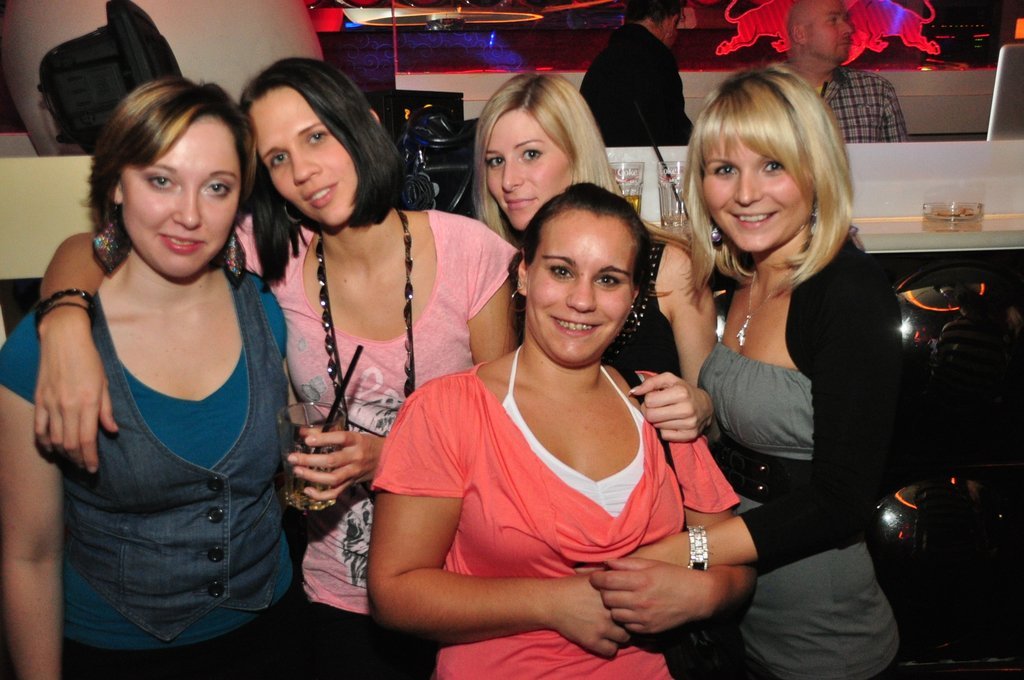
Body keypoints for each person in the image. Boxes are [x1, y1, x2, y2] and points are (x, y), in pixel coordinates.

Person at [32, 58, 517, 679]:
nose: (303, 171)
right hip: (334, 594)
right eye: (278, 158)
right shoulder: (273, 254)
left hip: (462, 576)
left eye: (316, 136)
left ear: (365, 127)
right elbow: (101, 242)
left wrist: (389, 457)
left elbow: (506, 435)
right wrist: (65, 317)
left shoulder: (469, 252)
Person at [592, 65, 902, 679]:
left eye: (772, 166)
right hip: (740, 620)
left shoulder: (848, 291)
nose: (745, 194)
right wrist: (702, 408)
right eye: (724, 169)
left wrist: (683, 552)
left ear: (815, 171)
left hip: (822, 640)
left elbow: (841, 499)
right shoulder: (748, 277)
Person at [368, 183, 751, 679]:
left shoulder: (659, 404)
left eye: (608, 279)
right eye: (561, 271)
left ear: (633, 298)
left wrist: (704, 593)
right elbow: (395, 593)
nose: (582, 300)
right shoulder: (447, 411)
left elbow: (734, 561)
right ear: (524, 274)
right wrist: (552, 603)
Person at [0, 78, 305, 679]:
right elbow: (29, 555)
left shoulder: (266, 310)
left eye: (216, 187)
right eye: (161, 180)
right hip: (116, 652)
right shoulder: (44, 348)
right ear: (117, 184)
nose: (189, 215)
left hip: (274, 629)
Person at [474, 72, 716, 440]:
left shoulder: (668, 268)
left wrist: (701, 407)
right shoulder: (490, 271)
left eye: (530, 154)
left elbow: (713, 422)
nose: (508, 180)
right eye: (495, 161)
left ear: (577, 152)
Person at [786, 0, 909, 143]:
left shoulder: (876, 91)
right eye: (833, 20)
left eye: (845, 20)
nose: (849, 29)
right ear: (800, 34)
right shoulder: (766, 93)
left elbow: (900, 157)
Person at [580, 0, 692, 147]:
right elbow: (676, 132)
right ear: (670, 22)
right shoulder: (660, 61)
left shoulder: (601, 62)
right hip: (649, 161)